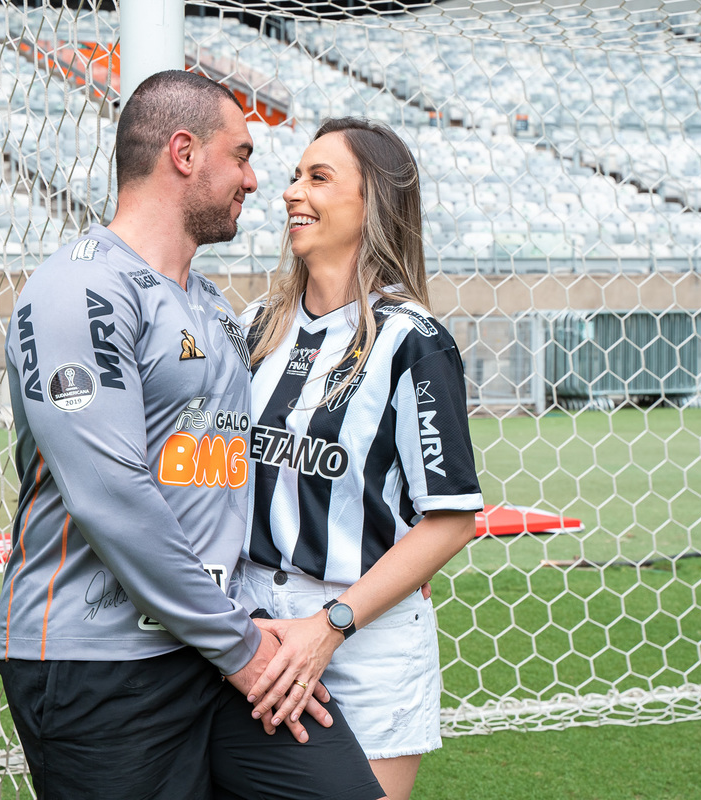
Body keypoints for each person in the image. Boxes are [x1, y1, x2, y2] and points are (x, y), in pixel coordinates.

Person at [0, 72, 385, 800]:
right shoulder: (79, 291)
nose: (254, 178)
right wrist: (238, 646)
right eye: (239, 156)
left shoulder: (210, 308)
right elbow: (112, 496)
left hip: (222, 644)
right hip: (105, 661)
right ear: (183, 152)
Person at [238, 117, 485, 800]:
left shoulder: (415, 342)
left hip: (366, 637)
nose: (292, 192)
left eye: (318, 178)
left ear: (373, 201)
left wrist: (332, 624)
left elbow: (451, 518)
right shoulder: (254, 326)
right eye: (294, 176)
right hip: (254, 629)